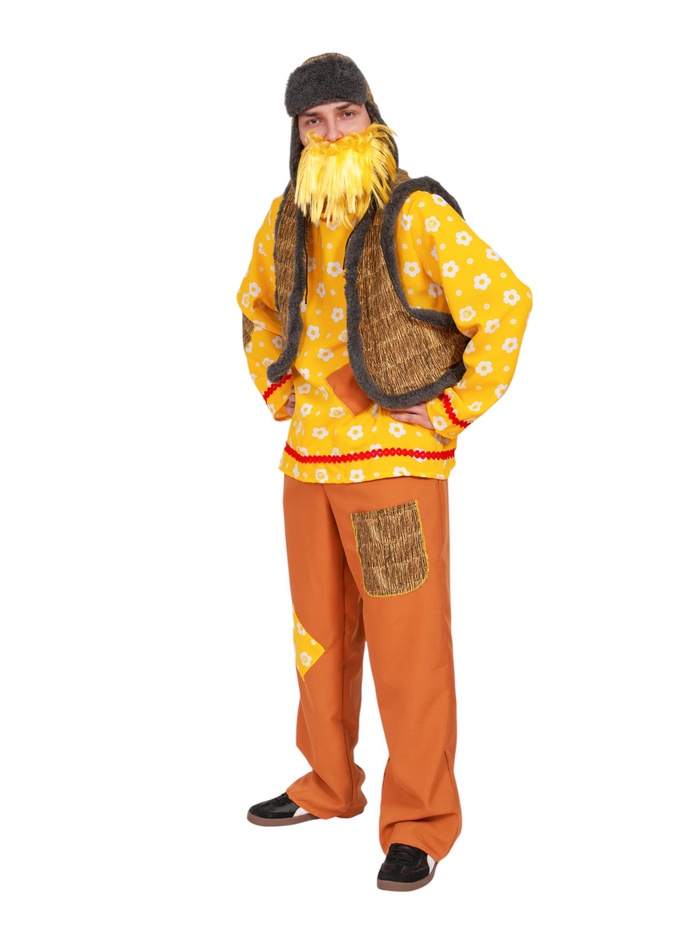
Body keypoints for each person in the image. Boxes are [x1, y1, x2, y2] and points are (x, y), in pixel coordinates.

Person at [237, 52, 532, 892]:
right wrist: (277, 384)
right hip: (307, 466)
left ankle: (420, 822)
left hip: (394, 470)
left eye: (346, 114)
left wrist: (454, 407)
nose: (332, 133)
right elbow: (255, 304)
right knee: (318, 637)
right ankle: (327, 782)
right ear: (297, 134)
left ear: (373, 115)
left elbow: (506, 302)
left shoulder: (415, 214)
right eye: (313, 121)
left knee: (408, 647)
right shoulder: (285, 218)